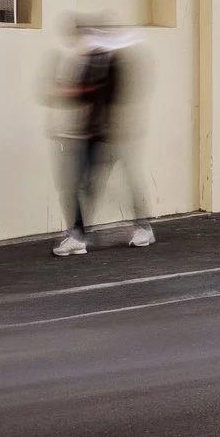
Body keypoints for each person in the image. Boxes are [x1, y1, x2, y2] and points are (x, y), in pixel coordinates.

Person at [51, 16, 154, 257]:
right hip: (92, 133)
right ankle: (79, 234)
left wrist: (71, 90)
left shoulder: (112, 62)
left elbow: (106, 93)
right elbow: (84, 95)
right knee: (80, 184)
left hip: (108, 134)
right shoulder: (89, 61)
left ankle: (141, 227)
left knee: (100, 184)